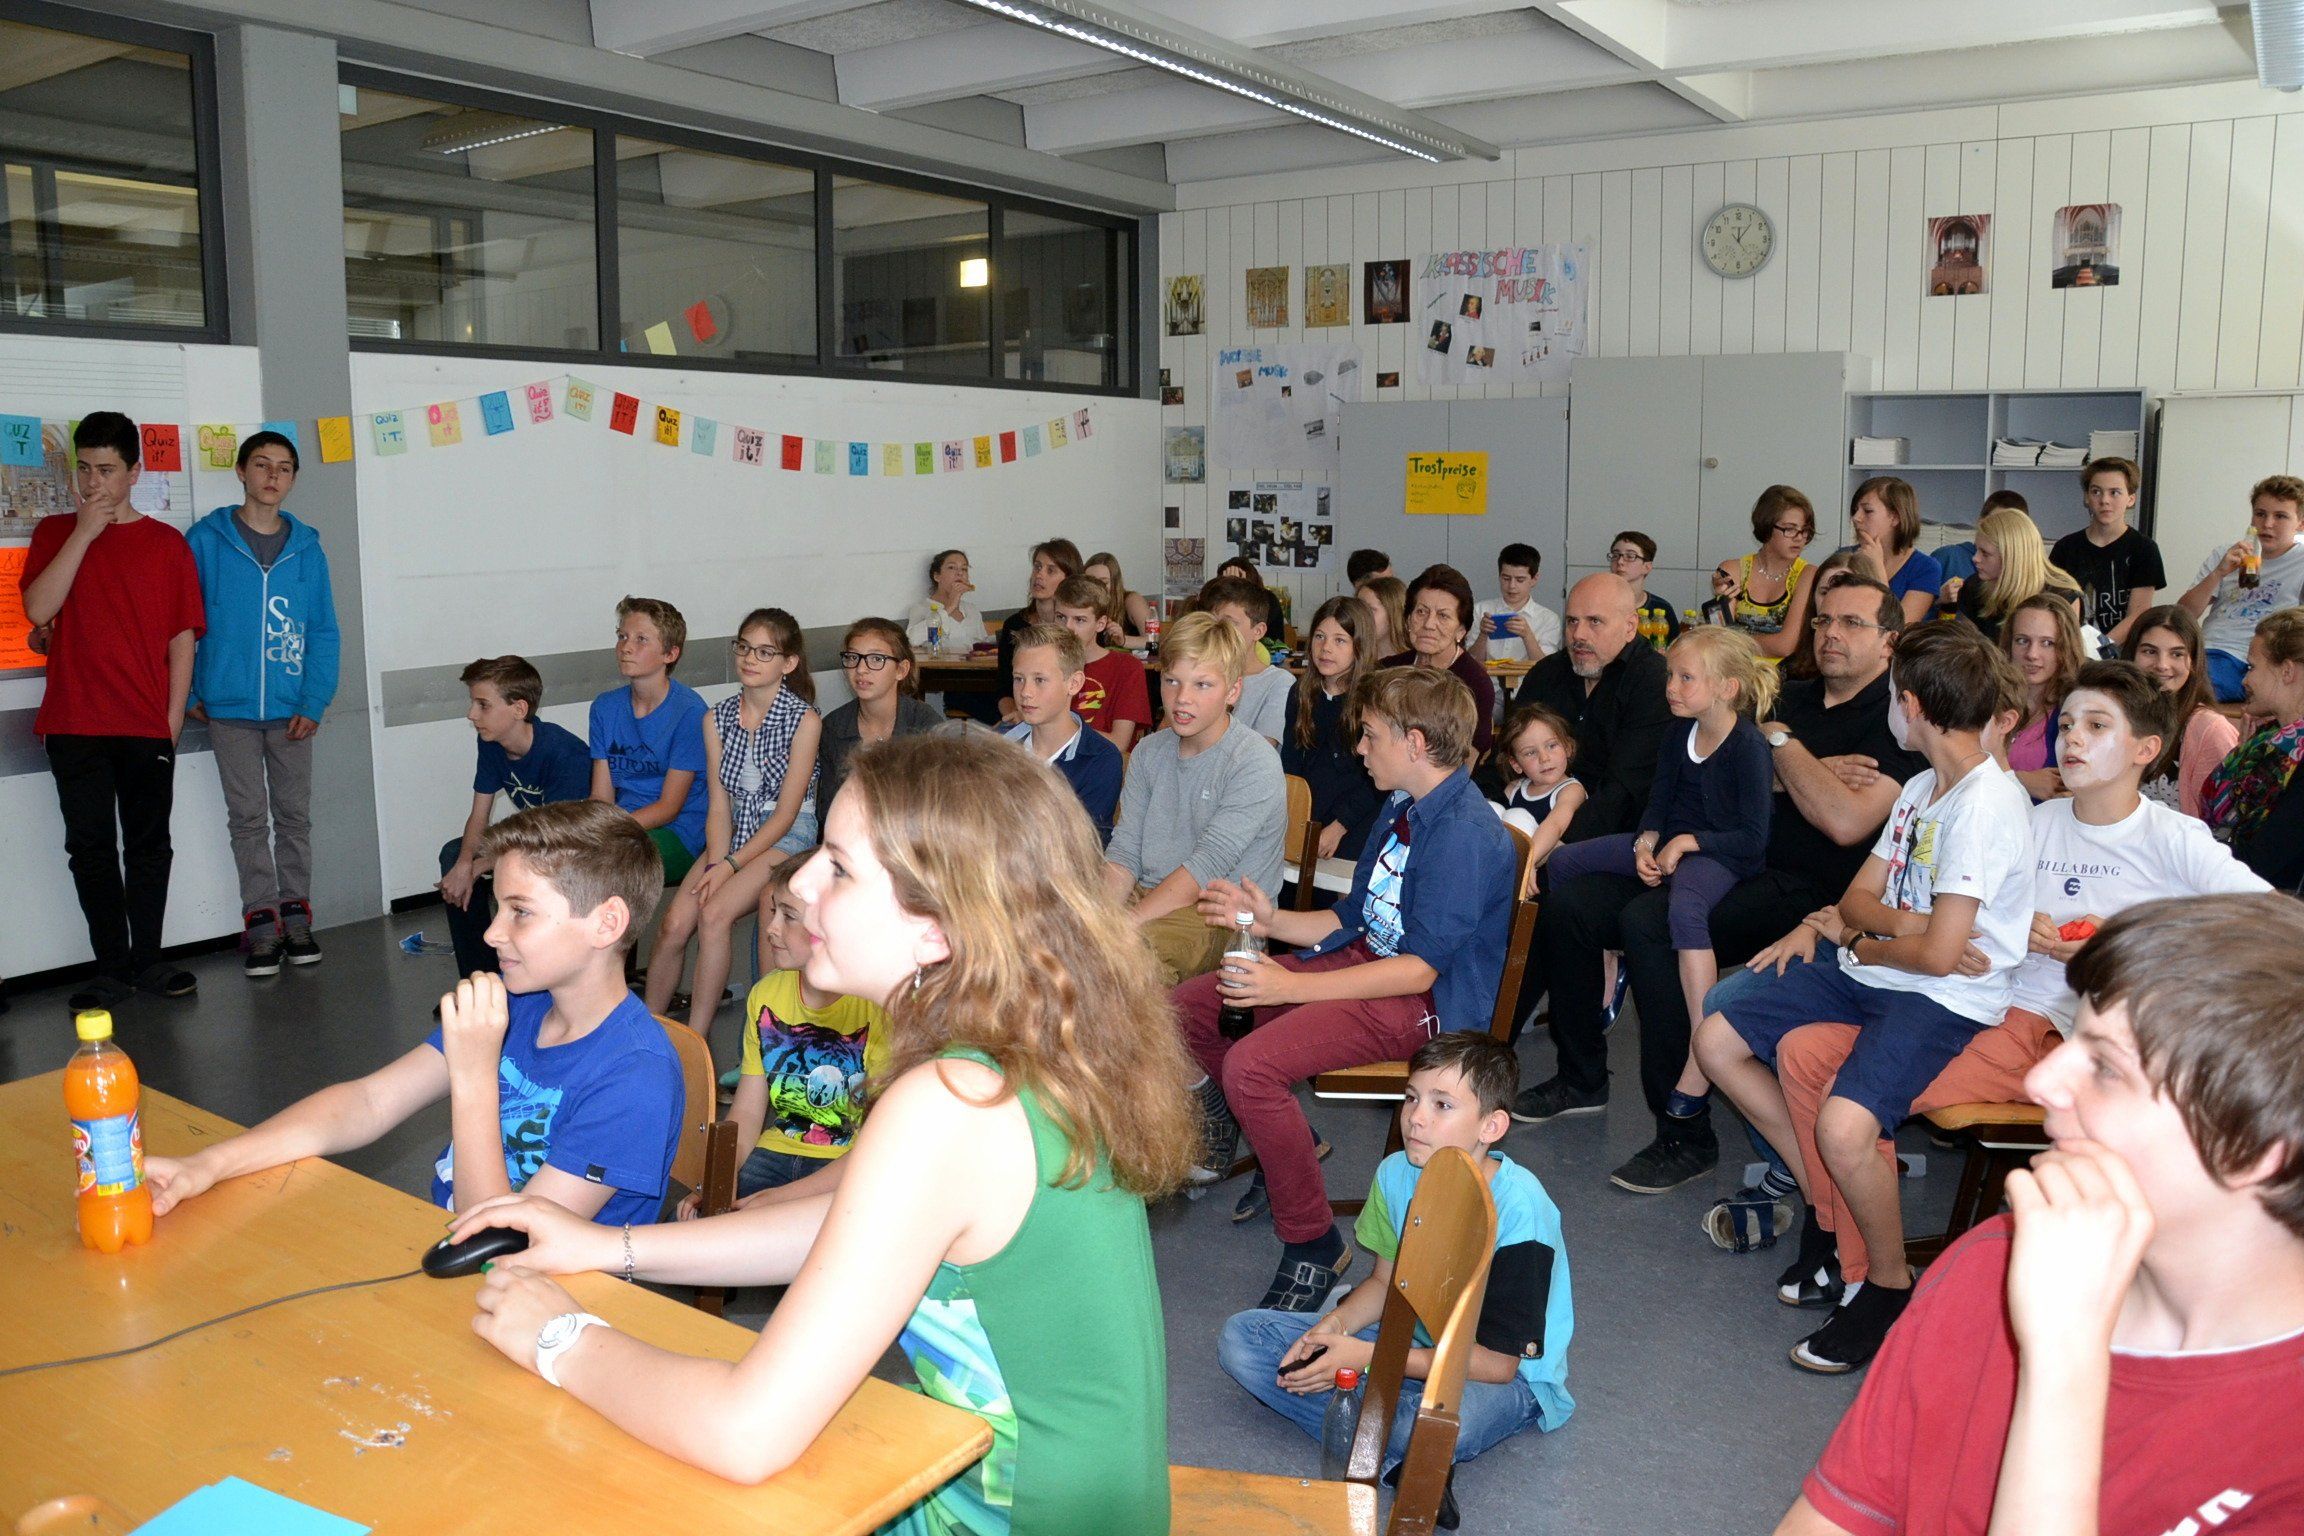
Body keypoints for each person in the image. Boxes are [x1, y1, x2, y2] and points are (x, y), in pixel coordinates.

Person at [448, 732, 1198, 1533]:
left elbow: (745, 1432)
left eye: (837, 869)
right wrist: (608, 1247)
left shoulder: (948, 1104)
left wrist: (558, 1336)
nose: (800, 884)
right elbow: (857, 1230)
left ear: (937, 929)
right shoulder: (1021, 1051)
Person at [1776, 893, 2304, 1536]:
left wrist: (2062, 1363)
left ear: (2255, 1150)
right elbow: (1839, 1516)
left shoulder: (2285, 1443)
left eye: (2105, 1068)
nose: (2041, 1083)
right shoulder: (1994, 1262)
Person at [1772, 661, 2268, 1306]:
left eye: (2097, 726)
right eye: (2067, 723)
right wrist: (1826, 926)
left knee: (1849, 1105)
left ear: (2146, 749)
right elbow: (1927, 898)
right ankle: (1842, 1240)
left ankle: (1868, 1274)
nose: (2073, 738)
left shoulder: (2173, 838)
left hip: (2058, 1031)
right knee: (1802, 1052)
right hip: (1977, 1003)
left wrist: (2119, 941)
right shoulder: (2036, 820)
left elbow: (2271, 924)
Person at [1696, 620, 2035, 1373]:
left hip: (1941, 998)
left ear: (1910, 705)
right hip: (1878, 972)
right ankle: (1827, 1208)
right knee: (1717, 1033)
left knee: (1847, 1125)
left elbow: (1941, 958)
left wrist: (1872, 939)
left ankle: (1886, 1285)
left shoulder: (1985, 803)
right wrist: (1893, 929)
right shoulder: (1920, 788)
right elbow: (1856, 899)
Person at [146, 799, 684, 1228]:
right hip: (454, 1244)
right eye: (497, 907)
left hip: (544, 1293)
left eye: (520, 912)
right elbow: (369, 1101)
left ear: (606, 923)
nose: (492, 933)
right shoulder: (517, 1001)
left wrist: (473, 1076)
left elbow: (502, 1244)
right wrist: (208, 1164)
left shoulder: (634, 1077)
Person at [1176, 667, 1516, 1309]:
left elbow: (1419, 970)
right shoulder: (1402, 804)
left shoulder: (1464, 836)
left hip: (1422, 1004)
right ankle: (1285, 1143)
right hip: (1370, 965)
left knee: (1251, 1066)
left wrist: (1288, 985)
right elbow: (1353, 917)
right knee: (1190, 1008)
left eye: (1370, 736)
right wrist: (1268, 921)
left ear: (1415, 743)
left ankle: (1312, 1243)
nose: (1360, 749)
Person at [1219, 1034, 1573, 1480]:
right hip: (1410, 1338)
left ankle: (1376, 1426)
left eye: (1442, 1105)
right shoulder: (1395, 1172)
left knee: (1432, 1427)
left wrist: (1367, 1358)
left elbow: (1500, 1365)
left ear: (1491, 1126)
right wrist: (1334, 1328)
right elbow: (1386, 1284)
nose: (1415, 1118)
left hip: (1501, 1375)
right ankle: (1396, 1452)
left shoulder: (1522, 1210)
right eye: (1411, 1098)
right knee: (1242, 1339)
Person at [1541, 628, 1777, 1148]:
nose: (1671, 687)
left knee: (1684, 909)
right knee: (1565, 863)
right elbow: (1659, 801)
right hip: (1672, 842)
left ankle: (1702, 1047)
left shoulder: (1748, 747)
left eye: (1685, 678)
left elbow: (1752, 840)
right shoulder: (1677, 733)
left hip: (1719, 856)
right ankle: (1609, 964)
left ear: (1727, 688)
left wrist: (1689, 843)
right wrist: (1648, 841)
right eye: (1671, 675)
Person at [18, 411, 204, 1010]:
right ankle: (110, 968)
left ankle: (148, 960)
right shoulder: (54, 533)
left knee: (149, 846)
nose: (93, 482)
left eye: (105, 470)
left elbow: (182, 639)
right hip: (73, 722)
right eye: (84, 469)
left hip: (145, 722)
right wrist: (83, 533)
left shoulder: (166, 544)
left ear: (134, 473)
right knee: (90, 849)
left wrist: (172, 720)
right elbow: (37, 610)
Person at [185, 429, 340, 977]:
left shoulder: (308, 549)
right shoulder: (205, 541)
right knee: (248, 820)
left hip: (292, 709)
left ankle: (296, 916)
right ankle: (261, 926)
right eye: (261, 464)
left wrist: (314, 701)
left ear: (293, 479)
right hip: (227, 710)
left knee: (293, 817)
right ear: (241, 471)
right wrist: (192, 691)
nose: (272, 476)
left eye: (284, 467)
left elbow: (323, 631)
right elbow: (181, 622)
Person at [642, 607, 819, 1035]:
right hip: (734, 833)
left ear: (788, 663)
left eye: (764, 652)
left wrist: (729, 866)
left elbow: (786, 814)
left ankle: (697, 1040)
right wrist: (717, 862)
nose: (750, 659)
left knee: (715, 915)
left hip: (785, 835)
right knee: (674, 924)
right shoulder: (716, 718)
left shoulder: (804, 720)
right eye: (744, 648)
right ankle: (645, 1032)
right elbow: (719, 805)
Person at [685, 857, 890, 1209]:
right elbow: (747, 1114)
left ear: (832, 924)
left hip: (847, 1167)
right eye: (772, 911)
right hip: (774, 1154)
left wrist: (776, 1201)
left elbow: (879, 1149)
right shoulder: (766, 995)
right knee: (691, 1224)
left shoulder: (878, 1006)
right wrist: (718, 1181)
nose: (771, 928)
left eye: (789, 916)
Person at [1105, 613, 1287, 983]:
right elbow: (1124, 851)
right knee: (1056, 934)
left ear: (1232, 692)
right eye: (1172, 681)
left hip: (1221, 916)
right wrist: (1094, 917)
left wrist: (1118, 927)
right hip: (1151, 894)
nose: (1182, 698)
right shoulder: (1148, 752)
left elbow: (1204, 869)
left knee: (1129, 961)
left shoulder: (1253, 760)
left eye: (1202, 684)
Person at [438, 656, 593, 980]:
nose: (472, 714)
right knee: (454, 855)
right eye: (473, 703)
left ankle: (527, 974)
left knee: (514, 869)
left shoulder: (563, 752)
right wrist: (465, 864)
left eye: (483, 705)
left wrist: (485, 863)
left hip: (571, 846)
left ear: (519, 709)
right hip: (536, 837)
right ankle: (481, 980)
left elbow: (553, 840)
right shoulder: (491, 743)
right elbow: (479, 813)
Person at [588, 595, 708, 882]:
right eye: (622, 636)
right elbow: (602, 797)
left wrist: (608, 831)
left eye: (641, 639)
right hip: (622, 825)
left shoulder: (690, 712)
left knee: (603, 865)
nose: (626, 647)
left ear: (670, 654)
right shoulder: (605, 707)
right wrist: (587, 830)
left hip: (678, 832)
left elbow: (669, 808)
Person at [2201, 606, 2304, 889]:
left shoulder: (2287, 754)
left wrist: (2182, 847)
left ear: (2286, 671)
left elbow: (2261, 863)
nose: (2244, 680)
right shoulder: (2267, 743)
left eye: (2252, 667)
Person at [2178, 474, 2304, 701]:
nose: (2267, 524)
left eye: (2280, 516)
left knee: (2187, 687)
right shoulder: (2227, 553)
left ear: (2300, 524)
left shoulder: (2300, 561)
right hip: (2209, 651)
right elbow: (2183, 614)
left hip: (2261, 660)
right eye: (2260, 514)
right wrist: (2219, 573)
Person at [1283, 595, 1382, 863]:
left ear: (1359, 646)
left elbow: (1379, 780)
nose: (1325, 648)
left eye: (1340, 640)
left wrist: (1340, 826)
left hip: (1357, 819)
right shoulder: (1301, 692)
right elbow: (1291, 765)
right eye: (1319, 637)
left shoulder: (1374, 698)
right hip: (1309, 816)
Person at [1006, 622, 1124, 844]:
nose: (1025, 692)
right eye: (1019, 678)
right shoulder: (997, 748)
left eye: (1039, 680)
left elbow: (1086, 846)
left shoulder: (1100, 759)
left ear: (1074, 683)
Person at [815, 618, 942, 815]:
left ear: (901, 670)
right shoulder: (833, 727)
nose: (861, 669)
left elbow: (940, 803)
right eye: (853, 657)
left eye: (876, 659)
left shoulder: (925, 723)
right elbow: (829, 809)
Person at [2122, 603, 2237, 820]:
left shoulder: (2210, 729)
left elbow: (2223, 820)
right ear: (2131, 656)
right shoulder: (2116, 716)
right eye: (2149, 651)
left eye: (2176, 654)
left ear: (2194, 662)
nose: (2162, 665)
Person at [1384, 564, 1496, 755]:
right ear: (1408, 619)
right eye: (1421, 612)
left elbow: (1468, 759)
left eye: (1443, 616)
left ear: (1461, 630)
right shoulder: (1388, 670)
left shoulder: (1475, 683)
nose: (1429, 624)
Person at [2051, 457, 2163, 646]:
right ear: (2086, 497)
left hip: (2120, 653)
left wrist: (2100, 648)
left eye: (2114, 493)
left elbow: (2138, 612)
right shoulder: (2065, 548)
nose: (2104, 500)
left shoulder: (2144, 549)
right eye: (2096, 492)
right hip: (2072, 649)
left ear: (2131, 499)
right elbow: (2056, 607)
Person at [1952, 504, 2084, 644]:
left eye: (1985, 553)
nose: (1975, 558)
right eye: (1976, 549)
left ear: (2012, 557)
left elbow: (2067, 653)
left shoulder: (2063, 596)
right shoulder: (1974, 587)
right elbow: (1965, 647)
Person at [1050, 574, 1151, 753]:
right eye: (1061, 617)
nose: (1068, 628)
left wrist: (1055, 729)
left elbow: (1119, 743)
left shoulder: (1127, 667)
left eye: (1079, 620)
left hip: (1101, 762)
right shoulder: (1045, 663)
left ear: (1100, 623)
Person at [1718, 486, 1819, 659]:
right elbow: (1720, 637)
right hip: (1736, 668)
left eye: (1805, 530)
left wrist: (1735, 642)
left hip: (1785, 673)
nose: (1799, 537)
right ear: (1766, 527)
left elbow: (1785, 646)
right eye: (1790, 529)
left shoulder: (1808, 574)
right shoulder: (1732, 569)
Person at [1493, 703, 1585, 893]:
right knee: (1492, 809)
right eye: (1530, 753)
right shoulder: (1514, 788)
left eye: (1552, 746)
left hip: (1543, 871)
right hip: (1506, 865)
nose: (1544, 758)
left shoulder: (1571, 790)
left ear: (1568, 748)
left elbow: (1555, 825)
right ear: (1516, 764)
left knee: (1516, 817)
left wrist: (1529, 861)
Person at [2003, 593, 2085, 801]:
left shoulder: (2078, 711)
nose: (2032, 654)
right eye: (2022, 641)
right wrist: (2021, 780)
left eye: (2047, 643)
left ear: (2066, 648)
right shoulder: (1987, 700)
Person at [997, 537, 1082, 722]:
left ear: (1069, 579)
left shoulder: (1075, 627)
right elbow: (1004, 689)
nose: (1039, 575)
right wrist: (1017, 716)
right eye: (1037, 567)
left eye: (1050, 570)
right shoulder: (1014, 625)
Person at [1204, 574, 1294, 744]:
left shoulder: (1279, 682)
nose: (1217, 631)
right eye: (1211, 622)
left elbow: (1262, 750)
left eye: (1229, 624)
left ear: (1258, 631)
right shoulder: (1199, 674)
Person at [1848, 476, 1944, 627]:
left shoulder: (1926, 568)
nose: (1856, 518)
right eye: (1855, 510)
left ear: (1895, 517)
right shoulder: (1846, 557)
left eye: (1867, 511)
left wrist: (1877, 568)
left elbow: (1897, 629)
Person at [1779, 550, 1883, 682]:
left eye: (1845, 593)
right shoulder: (1791, 668)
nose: (1832, 601)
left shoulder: (1884, 673)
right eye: (1825, 592)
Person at [1470, 542, 1562, 665]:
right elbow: (1471, 663)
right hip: (1486, 678)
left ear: (1534, 579)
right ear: (1499, 576)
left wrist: (1527, 635)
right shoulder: (1479, 610)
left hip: (1529, 678)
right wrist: (1483, 635)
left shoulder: (1549, 619)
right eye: (1506, 578)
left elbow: (1547, 668)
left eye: (1520, 580)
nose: (1512, 586)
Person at [904, 548, 992, 657]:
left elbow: (983, 644)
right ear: (937, 576)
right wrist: (950, 606)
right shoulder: (921, 608)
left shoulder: (971, 609)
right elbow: (912, 640)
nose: (960, 573)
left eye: (964, 569)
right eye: (951, 567)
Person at [1607, 530, 1682, 646]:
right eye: (1615, 555)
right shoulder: (1598, 603)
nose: (1620, 562)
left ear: (1647, 567)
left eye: (1630, 556)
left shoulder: (1662, 608)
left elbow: (1675, 649)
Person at [1084, 551, 1154, 649]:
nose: (1096, 587)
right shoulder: (1082, 604)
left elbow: (1153, 643)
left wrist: (1123, 640)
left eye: (1103, 583)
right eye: (1090, 582)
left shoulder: (1132, 600)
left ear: (1115, 583)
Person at [1356, 573, 1408, 657]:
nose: (1360, 616)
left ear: (1393, 614)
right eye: (1357, 609)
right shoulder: (1353, 658)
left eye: (1370, 610)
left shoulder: (1415, 660)